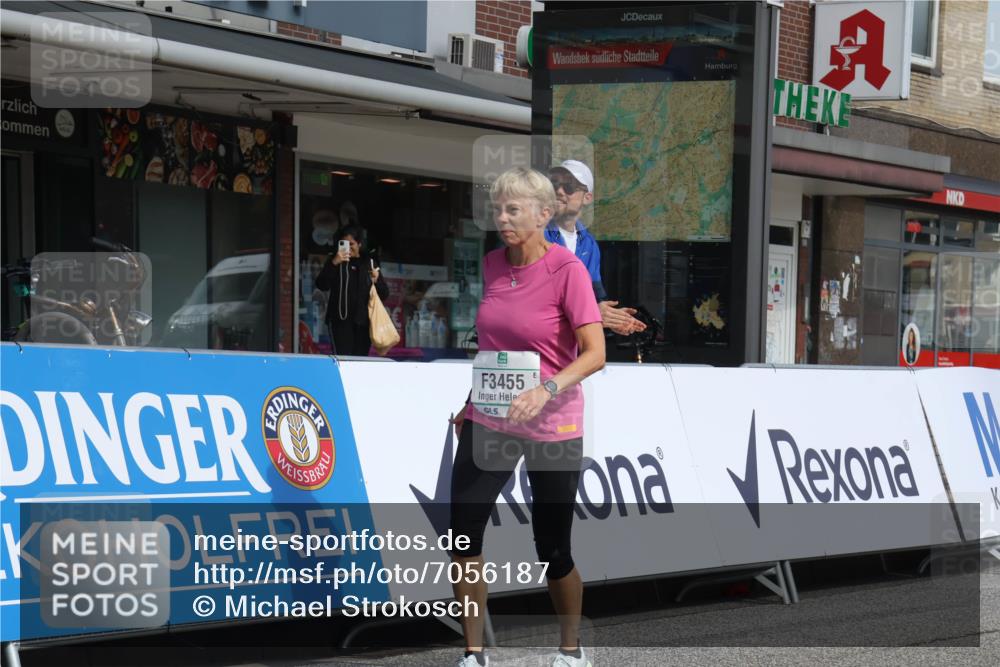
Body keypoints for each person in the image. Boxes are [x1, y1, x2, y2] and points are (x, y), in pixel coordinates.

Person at [449, 167, 605, 667]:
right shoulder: (493, 264)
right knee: (462, 533)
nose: (501, 218)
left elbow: (595, 353)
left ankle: (571, 650)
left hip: (551, 423)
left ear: (543, 214)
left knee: (552, 546)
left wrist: (547, 388)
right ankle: (474, 653)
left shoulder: (567, 270)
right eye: (497, 209)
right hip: (490, 418)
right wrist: (471, 401)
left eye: (512, 209)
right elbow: (496, 347)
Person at [547, 160, 646, 336]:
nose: (559, 191)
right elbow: (530, 300)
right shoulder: (534, 235)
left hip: (568, 349)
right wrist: (593, 315)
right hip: (536, 349)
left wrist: (612, 318)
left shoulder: (589, 244)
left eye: (569, 186)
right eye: (555, 184)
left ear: (587, 197)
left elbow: (594, 297)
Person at [315, 224, 388, 356]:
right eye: (345, 243)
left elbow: (384, 293)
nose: (348, 248)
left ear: (359, 244)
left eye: (352, 244)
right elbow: (322, 284)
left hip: (363, 324)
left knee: (360, 361)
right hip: (340, 322)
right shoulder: (335, 260)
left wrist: (376, 280)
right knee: (343, 360)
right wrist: (334, 263)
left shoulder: (369, 262)